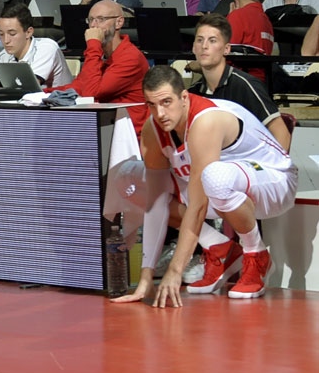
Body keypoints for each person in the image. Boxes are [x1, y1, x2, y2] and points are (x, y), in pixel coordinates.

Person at [118, 66, 295, 306]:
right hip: (227, 189)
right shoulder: (154, 128)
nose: (160, 113)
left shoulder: (206, 121)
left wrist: (175, 269)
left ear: (183, 97)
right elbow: (156, 201)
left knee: (214, 178)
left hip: (275, 182)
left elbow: (199, 205)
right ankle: (219, 248)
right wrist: (146, 277)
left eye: (166, 102)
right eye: (151, 104)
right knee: (129, 179)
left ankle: (256, 254)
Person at [55, 0, 150, 132]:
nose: (94, 26)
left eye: (101, 19)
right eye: (91, 20)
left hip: (128, 137)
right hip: (104, 129)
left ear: (119, 22)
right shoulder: (100, 55)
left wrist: (93, 45)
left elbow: (90, 95)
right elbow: (79, 86)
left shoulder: (130, 57)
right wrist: (40, 94)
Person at [0, 4, 74, 88]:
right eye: (1, 34)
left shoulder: (47, 48)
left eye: (12, 34)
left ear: (29, 32)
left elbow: (27, 88)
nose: (6, 40)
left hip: (60, 101)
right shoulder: (4, 54)